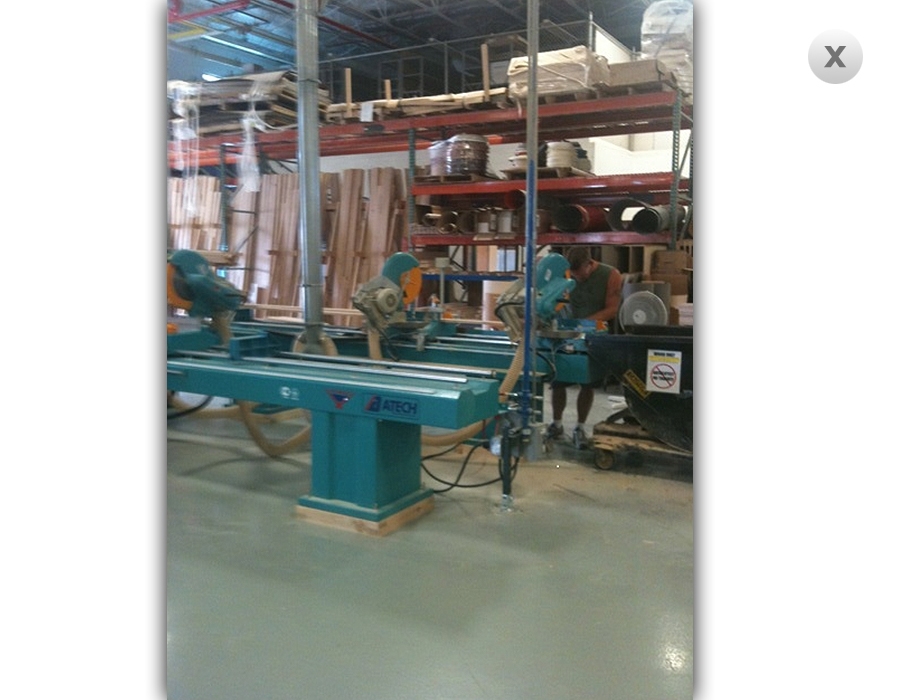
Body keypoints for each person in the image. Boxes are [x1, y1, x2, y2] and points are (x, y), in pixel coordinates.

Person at [547, 247, 623, 448]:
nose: (577, 279)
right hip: (565, 332)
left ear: (590, 264)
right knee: (558, 380)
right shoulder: (564, 274)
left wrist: (584, 324)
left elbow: (612, 309)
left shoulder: (610, 275)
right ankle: (556, 424)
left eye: (580, 274)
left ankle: (580, 427)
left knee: (587, 382)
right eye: (573, 275)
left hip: (593, 334)